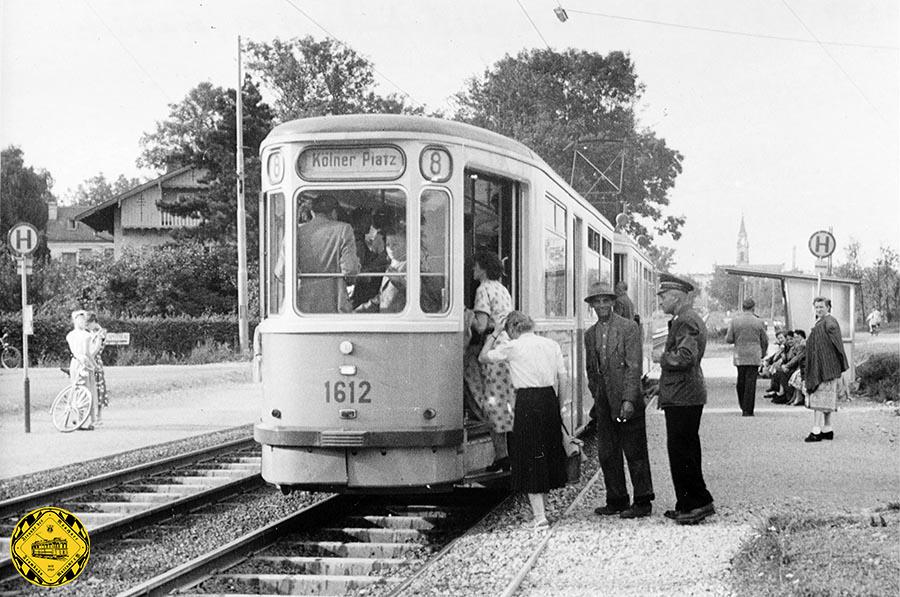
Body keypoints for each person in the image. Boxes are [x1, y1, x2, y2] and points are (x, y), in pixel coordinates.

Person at [483, 311, 568, 528]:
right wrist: (559, 407)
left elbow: (483, 357)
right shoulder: (551, 345)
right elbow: (563, 379)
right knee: (547, 453)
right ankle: (544, 512)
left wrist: (495, 334)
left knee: (530, 456)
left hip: (528, 402)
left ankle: (539, 517)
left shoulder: (513, 346)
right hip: (549, 398)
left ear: (512, 329)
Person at [584, 281, 654, 519]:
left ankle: (643, 501)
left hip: (626, 399)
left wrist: (629, 399)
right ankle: (616, 499)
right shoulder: (589, 334)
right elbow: (591, 370)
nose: (602, 305)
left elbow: (634, 367)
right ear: (591, 305)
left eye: (606, 300)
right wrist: (596, 393)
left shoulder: (628, 328)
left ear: (613, 302)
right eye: (597, 301)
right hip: (604, 401)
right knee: (607, 453)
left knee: (634, 452)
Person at [656, 273, 715, 525]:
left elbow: (684, 357)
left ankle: (696, 503)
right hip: (684, 394)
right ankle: (688, 503)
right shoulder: (685, 319)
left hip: (683, 395)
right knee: (685, 450)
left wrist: (661, 356)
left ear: (676, 297)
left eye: (662, 297)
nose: (660, 302)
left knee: (682, 452)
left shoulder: (685, 322)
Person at [468, 251, 515, 471]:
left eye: (475, 266)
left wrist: (467, 313)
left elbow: (481, 325)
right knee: (504, 400)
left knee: (492, 400)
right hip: (506, 347)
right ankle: (505, 455)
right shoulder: (502, 289)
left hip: (492, 348)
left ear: (483, 268)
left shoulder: (483, 289)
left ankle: (501, 456)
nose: (473, 270)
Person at [297, 194, 360, 313]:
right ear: (334, 212)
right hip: (334, 304)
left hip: (302, 306)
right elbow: (350, 270)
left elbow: (282, 273)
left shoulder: (297, 232)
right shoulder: (344, 229)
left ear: (312, 212)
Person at [803, 297, 849, 442]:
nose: (818, 310)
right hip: (826, 366)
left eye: (821, 307)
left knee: (818, 397)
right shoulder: (823, 322)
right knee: (827, 398)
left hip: (825, 367)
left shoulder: (829, 323)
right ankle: (827, 429)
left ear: (828, 307)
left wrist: (840, 365)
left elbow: (837, 345)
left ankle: (816, 430)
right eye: (816, 307)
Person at [724, 297, 768, 417]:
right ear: (753, 308)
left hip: (740, 355)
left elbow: (729, 339)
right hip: (754, 355)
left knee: (741, 380)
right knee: (751, 382)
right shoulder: (759, 322)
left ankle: (743, 404)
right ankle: (748, 410)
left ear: (742, 308)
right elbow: (764, 340)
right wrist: (763, 352)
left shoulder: (735, 321)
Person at [355, 224, 407, 313]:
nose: (390, 247)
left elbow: (421, 296)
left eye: (395, 244)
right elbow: (381, 298)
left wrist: (400, 282)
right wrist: (360, 310)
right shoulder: (391, 266)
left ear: (408, 245)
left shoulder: (412, 268)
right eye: (387, 244)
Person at [66, 309, 98, 430]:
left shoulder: (70, 335)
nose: (84, 322)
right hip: (84, 363)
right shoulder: (86, 335)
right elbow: (87, 353)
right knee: (86, 391)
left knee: (77, 390)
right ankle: (83, 420)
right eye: (82, 319)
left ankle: (79, 418)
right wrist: (95, 365)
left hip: (74, 362)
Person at [85, 312, 109, 424]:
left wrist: (89, 357)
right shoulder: (90, 332)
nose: (87, 327)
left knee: (98, 389)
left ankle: (99, 416)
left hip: (95, 361)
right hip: (90, 360)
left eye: (88, 324)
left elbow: (97, 348)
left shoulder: (101, 332)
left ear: (94, 322)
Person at [785, 329, 807, 406]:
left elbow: (797, 357)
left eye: (797, 337)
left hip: (804, 368)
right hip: (802, 367)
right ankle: (795, 397)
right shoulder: (798, 345)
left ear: (802, 337)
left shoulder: (802, 345)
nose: (795, 339)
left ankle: (797, 397)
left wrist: (787, 366)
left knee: (795, 375)